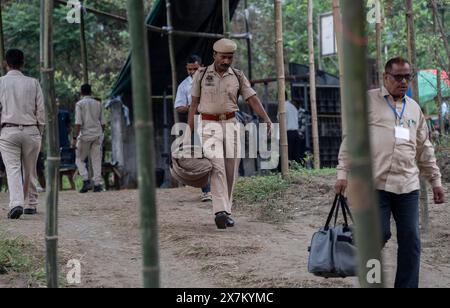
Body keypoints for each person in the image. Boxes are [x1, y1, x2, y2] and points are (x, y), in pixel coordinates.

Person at [335, 57, 445, 288]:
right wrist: (342, 173)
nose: (403, 81)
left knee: (411, 241)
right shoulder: (368, 101)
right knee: (380, 233)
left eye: (407, 76)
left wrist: (435, 180)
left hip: (407, 185)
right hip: (375, 184)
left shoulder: (413, 107)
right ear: (386, 78)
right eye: (398, 77)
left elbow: (424, 146)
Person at [188, 38, 272, 229]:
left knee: (231, 168)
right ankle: (220, 211)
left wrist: (266, 119)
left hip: (232, 123)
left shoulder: (238, 75)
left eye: (230, 57)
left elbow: (252, 99)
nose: (226, 61)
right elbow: (193, 104)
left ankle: (227, 211)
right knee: (216, 166)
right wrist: (188, 132)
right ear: (214, 55)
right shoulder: (201, 75)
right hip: (208, 123)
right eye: (223, 57)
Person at [0, 49, 45, 219]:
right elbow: (40, 110)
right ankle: (31, 204)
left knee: (12, 168)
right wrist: (39, 131)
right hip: (31, 129)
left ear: (6, 63)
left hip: (8, 130)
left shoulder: (1, 82)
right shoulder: (33, 83)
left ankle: (16, 203)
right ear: (23, 63)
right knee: (30, 169)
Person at [174, 54, 212, 202]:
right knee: (201, 155)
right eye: (189, 69)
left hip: (214, 119)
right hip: (196, 121)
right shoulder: (184, 86)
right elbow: (178, 107)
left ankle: (223, 188)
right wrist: (190, 107)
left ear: (201, 66)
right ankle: (206, 191)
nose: (192, 72)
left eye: (195, 68)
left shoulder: (210, 79)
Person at [73, 84, 105, 193]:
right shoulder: (98, 103)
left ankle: (85, 180)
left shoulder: (79, 104)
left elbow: (78, 123)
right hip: (97, 135)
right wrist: (100, 134)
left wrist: (74, 138)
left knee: (79, 159)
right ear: (91, 92)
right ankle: (97, 184)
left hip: (85, 136)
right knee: (96, 160)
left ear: (81, 93)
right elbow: (103, 123)